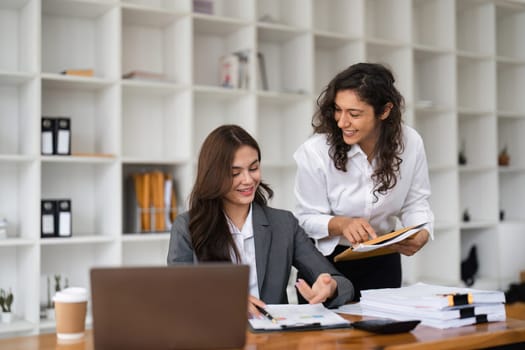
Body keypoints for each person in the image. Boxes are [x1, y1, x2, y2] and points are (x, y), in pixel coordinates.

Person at [167, 124, 353, 317]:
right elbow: (178, 296)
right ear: (214, 175)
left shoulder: (284, 224)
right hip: (215, 336)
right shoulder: (187, 227)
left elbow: (340, 282)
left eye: (253, 168)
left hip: (272, 337)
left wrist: (330, 287)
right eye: (235, 173)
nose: (248, 180)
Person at [293, 62, 434, 301]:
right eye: (338, 110)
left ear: (385, 111)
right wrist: (342, 224)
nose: (341, 122)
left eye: (354, 114)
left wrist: (422, 231)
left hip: (382, 261)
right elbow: (304, 219)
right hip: (326, 266)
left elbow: (415, 202)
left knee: (383, 335)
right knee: (326, 338)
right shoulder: (316, 151)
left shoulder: (410, 143)